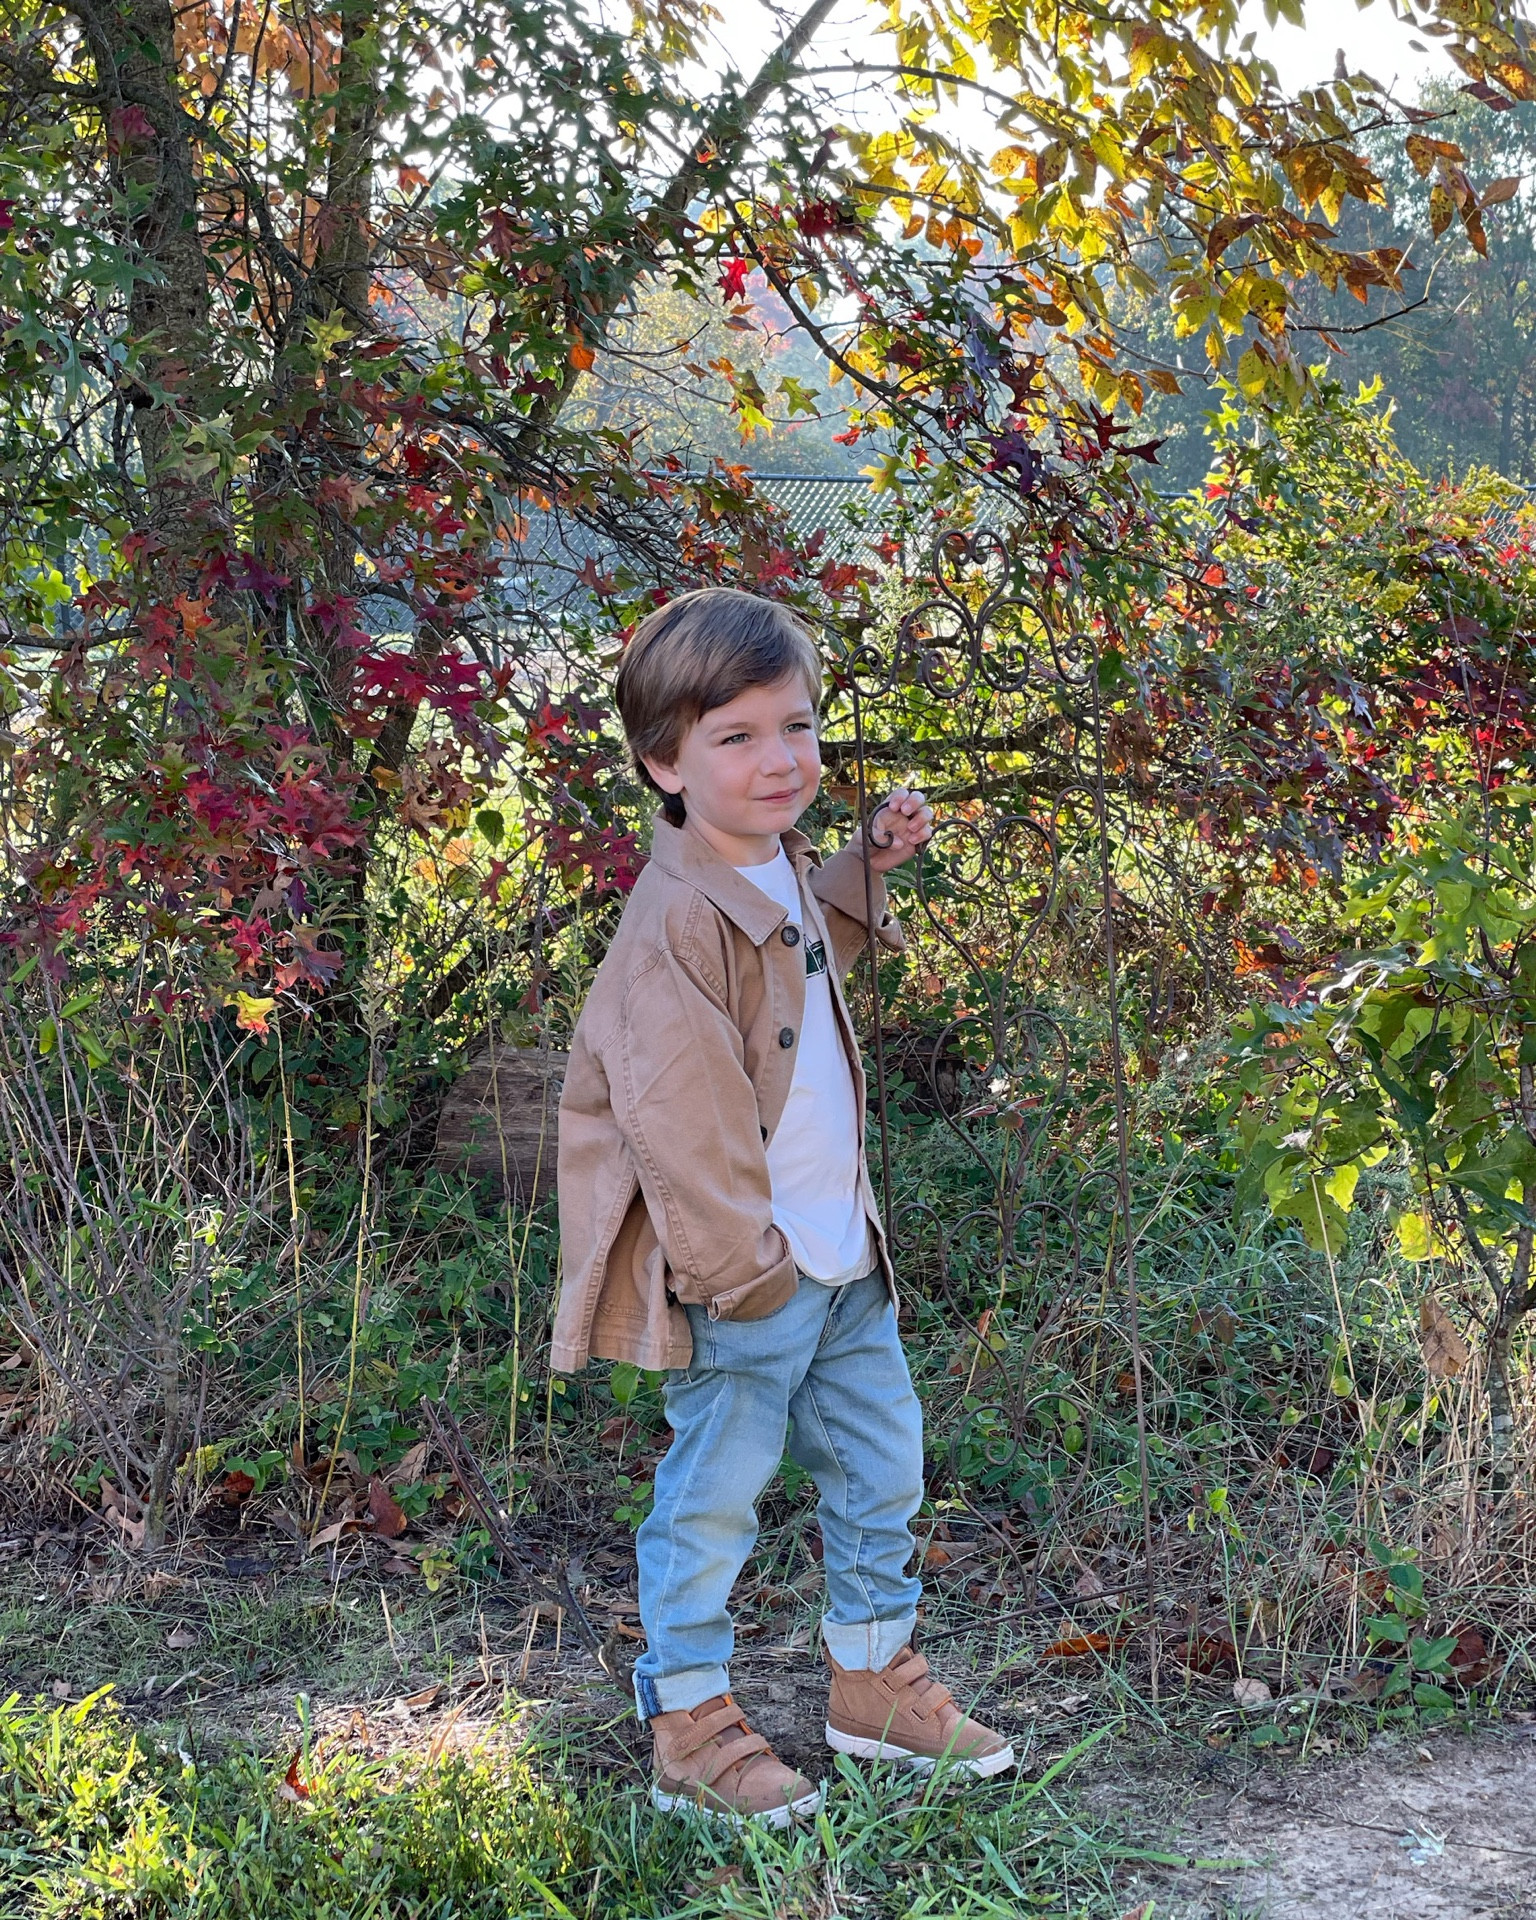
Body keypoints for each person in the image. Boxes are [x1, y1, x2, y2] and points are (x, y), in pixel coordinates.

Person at [552, 586, 1013, 1826]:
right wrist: (744, 1274)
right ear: (664, 761)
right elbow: (684, 1133)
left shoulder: (777, 870)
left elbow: (805, 986)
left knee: (882, 1465)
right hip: (750, 1272)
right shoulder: (672, 931)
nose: (781, 760)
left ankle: (869, 1685)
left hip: (839, 1255)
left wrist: (866, 866)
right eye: (737, 737)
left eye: (797, 727)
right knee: (713, 1499)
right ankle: (692, 1719)